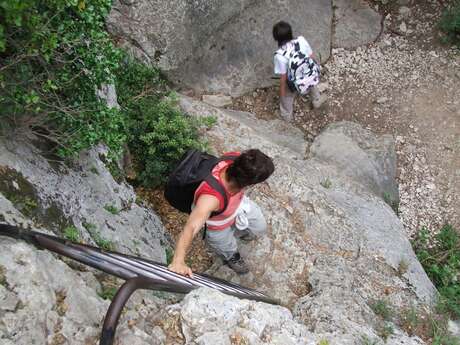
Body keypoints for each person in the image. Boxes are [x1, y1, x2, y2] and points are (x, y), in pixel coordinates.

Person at [168, 149, 275, 276]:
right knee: (227, 248)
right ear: (249, 183)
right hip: (217, 227)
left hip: (237, 206)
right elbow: (190, 228)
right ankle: (231, 256)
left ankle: (240, 237)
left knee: (259, 227)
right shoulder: (211, 198)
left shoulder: (237, 159)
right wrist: (178, 261)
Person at [273, 21, 324, 122]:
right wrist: (315, 71)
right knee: (312, 83)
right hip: (308, 74)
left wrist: (282, 93)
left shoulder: (279, 56)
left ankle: (286, 116)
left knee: (287, 96)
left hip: (294, 82)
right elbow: (311, 56)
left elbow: (283, 78)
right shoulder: (301, 40)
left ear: (276, 38)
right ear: (290, 33)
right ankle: (316, 100)